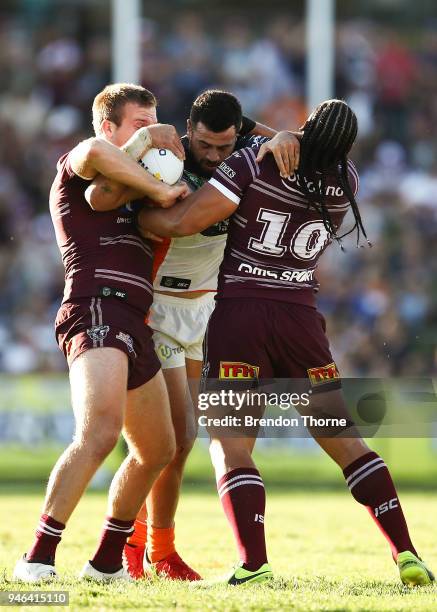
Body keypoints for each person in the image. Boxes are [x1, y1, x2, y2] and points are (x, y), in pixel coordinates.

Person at [134, 99, 434, 587]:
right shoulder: (349, 180)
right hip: (301, 320)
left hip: (240, 316)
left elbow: (183, 222)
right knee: (348, 443)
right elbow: (318, 159)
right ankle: (407, 553)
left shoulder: (257, 161)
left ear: (303, 130)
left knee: (232, 447)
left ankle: (254, 564)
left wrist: (141, 220)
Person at [87, 89, 300, 580]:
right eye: (206, 145)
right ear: (189, 132)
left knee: (181, 440)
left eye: (227, 146)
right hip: (158, 309)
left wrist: (280, 135)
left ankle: (155, 548)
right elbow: (100, 196)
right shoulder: (165, 160)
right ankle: (146, 547)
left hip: (205, 312)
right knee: (174, 437)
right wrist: (140, 148)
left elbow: (283, 145)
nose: (216, 156)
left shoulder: (246, 155)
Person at [13, 83, 189, 582]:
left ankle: (107, 561)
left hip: (135, 320)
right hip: (96, 307)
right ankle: (37, 558)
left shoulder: (134, 186)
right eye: (140, 123)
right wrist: (153, 178)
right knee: (98, 432)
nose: (152, 133)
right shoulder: (83, 165)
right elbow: (94, 156)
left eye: (156, 121)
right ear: (109, 126)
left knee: (159, 448)